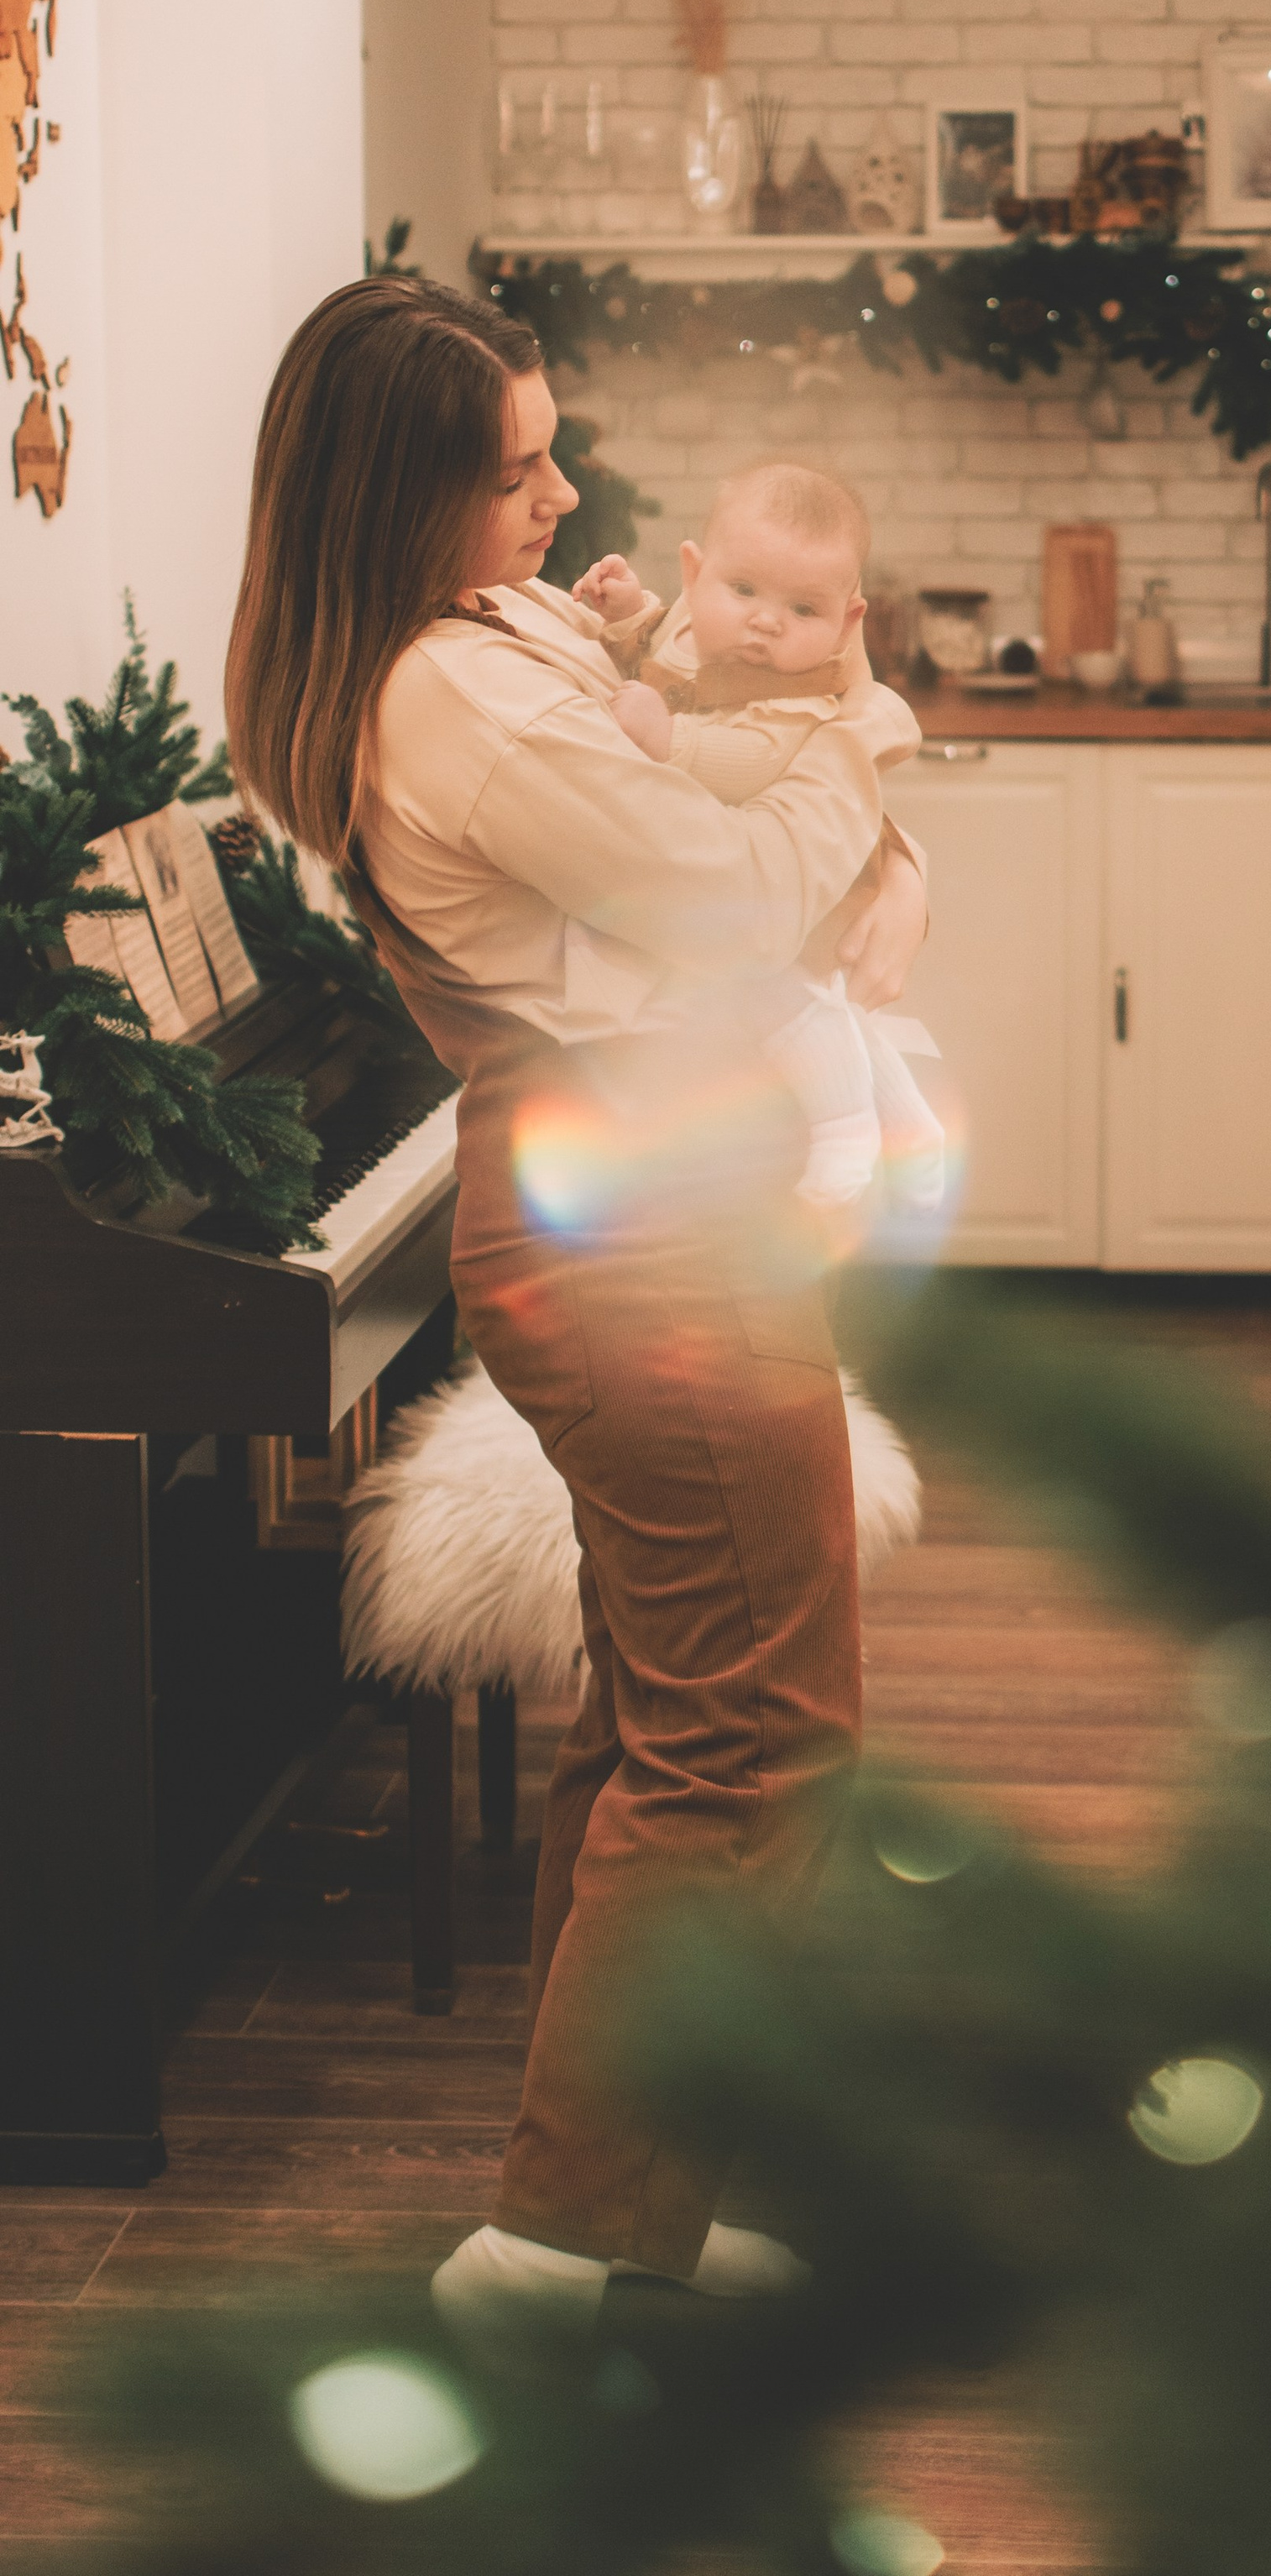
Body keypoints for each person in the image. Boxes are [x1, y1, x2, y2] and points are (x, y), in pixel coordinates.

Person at [223, 276, 928, 2355]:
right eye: (513, 463)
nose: (554, 487)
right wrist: (866, 743)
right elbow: (726, 899)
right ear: (405, 490)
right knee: (758, 1730)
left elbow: (660, 787)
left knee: (666, 1718)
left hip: (637, 1199)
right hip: (641, 1228)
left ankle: (634, 2196)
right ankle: (548, 2248)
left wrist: (653, 653)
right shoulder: (449, 696)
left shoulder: (472, 646)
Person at [579, 461, 946, 1212]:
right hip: (756, 879)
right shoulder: (688, 622)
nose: (766, 621)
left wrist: (668, 739)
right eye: (743, 590)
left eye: (803, 609)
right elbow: (658, 646)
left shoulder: (806, 692)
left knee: (786, 1001)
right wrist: (625, 614)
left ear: (847, 623)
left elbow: (753, 761)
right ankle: (912, 1127)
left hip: (808, 887)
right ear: (694, 573)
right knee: (833, 1019)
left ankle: (845, 1133)